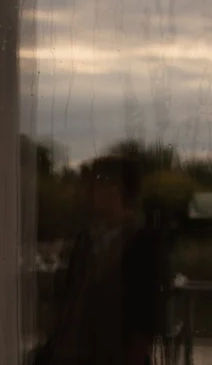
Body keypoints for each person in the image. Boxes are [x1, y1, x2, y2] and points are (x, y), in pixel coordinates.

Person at [34, 155, 165, 365]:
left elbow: (146, 316)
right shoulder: (85, 241)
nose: (91, 192)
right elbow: (71, 300)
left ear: (119, 190)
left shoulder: (143, 243)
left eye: (100, 183)